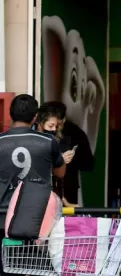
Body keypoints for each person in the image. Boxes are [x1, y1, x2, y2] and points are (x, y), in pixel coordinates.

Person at [0, 95, 66, 275]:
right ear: (35, 117)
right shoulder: (47, 141)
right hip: (36, 221)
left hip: (2, 219)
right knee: (34, 269)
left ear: (10, 114)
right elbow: (60, 173)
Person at [45, 101, 95, 206]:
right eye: (52, 125)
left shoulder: (76, 133)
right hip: (45, 186)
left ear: (64, 119)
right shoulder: (40, 134)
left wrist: (73, 158)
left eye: (58, 124)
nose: (55, 129)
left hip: (68, 187)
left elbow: (88, 163)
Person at [35, 104, 75, 205]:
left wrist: (64, 202)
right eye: (50, 126)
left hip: (52, 198)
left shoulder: (54, 142)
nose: (53, 129)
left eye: (56, 126)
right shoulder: (32, 142)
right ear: (39, 123)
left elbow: (58, 177)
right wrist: (59, 160)